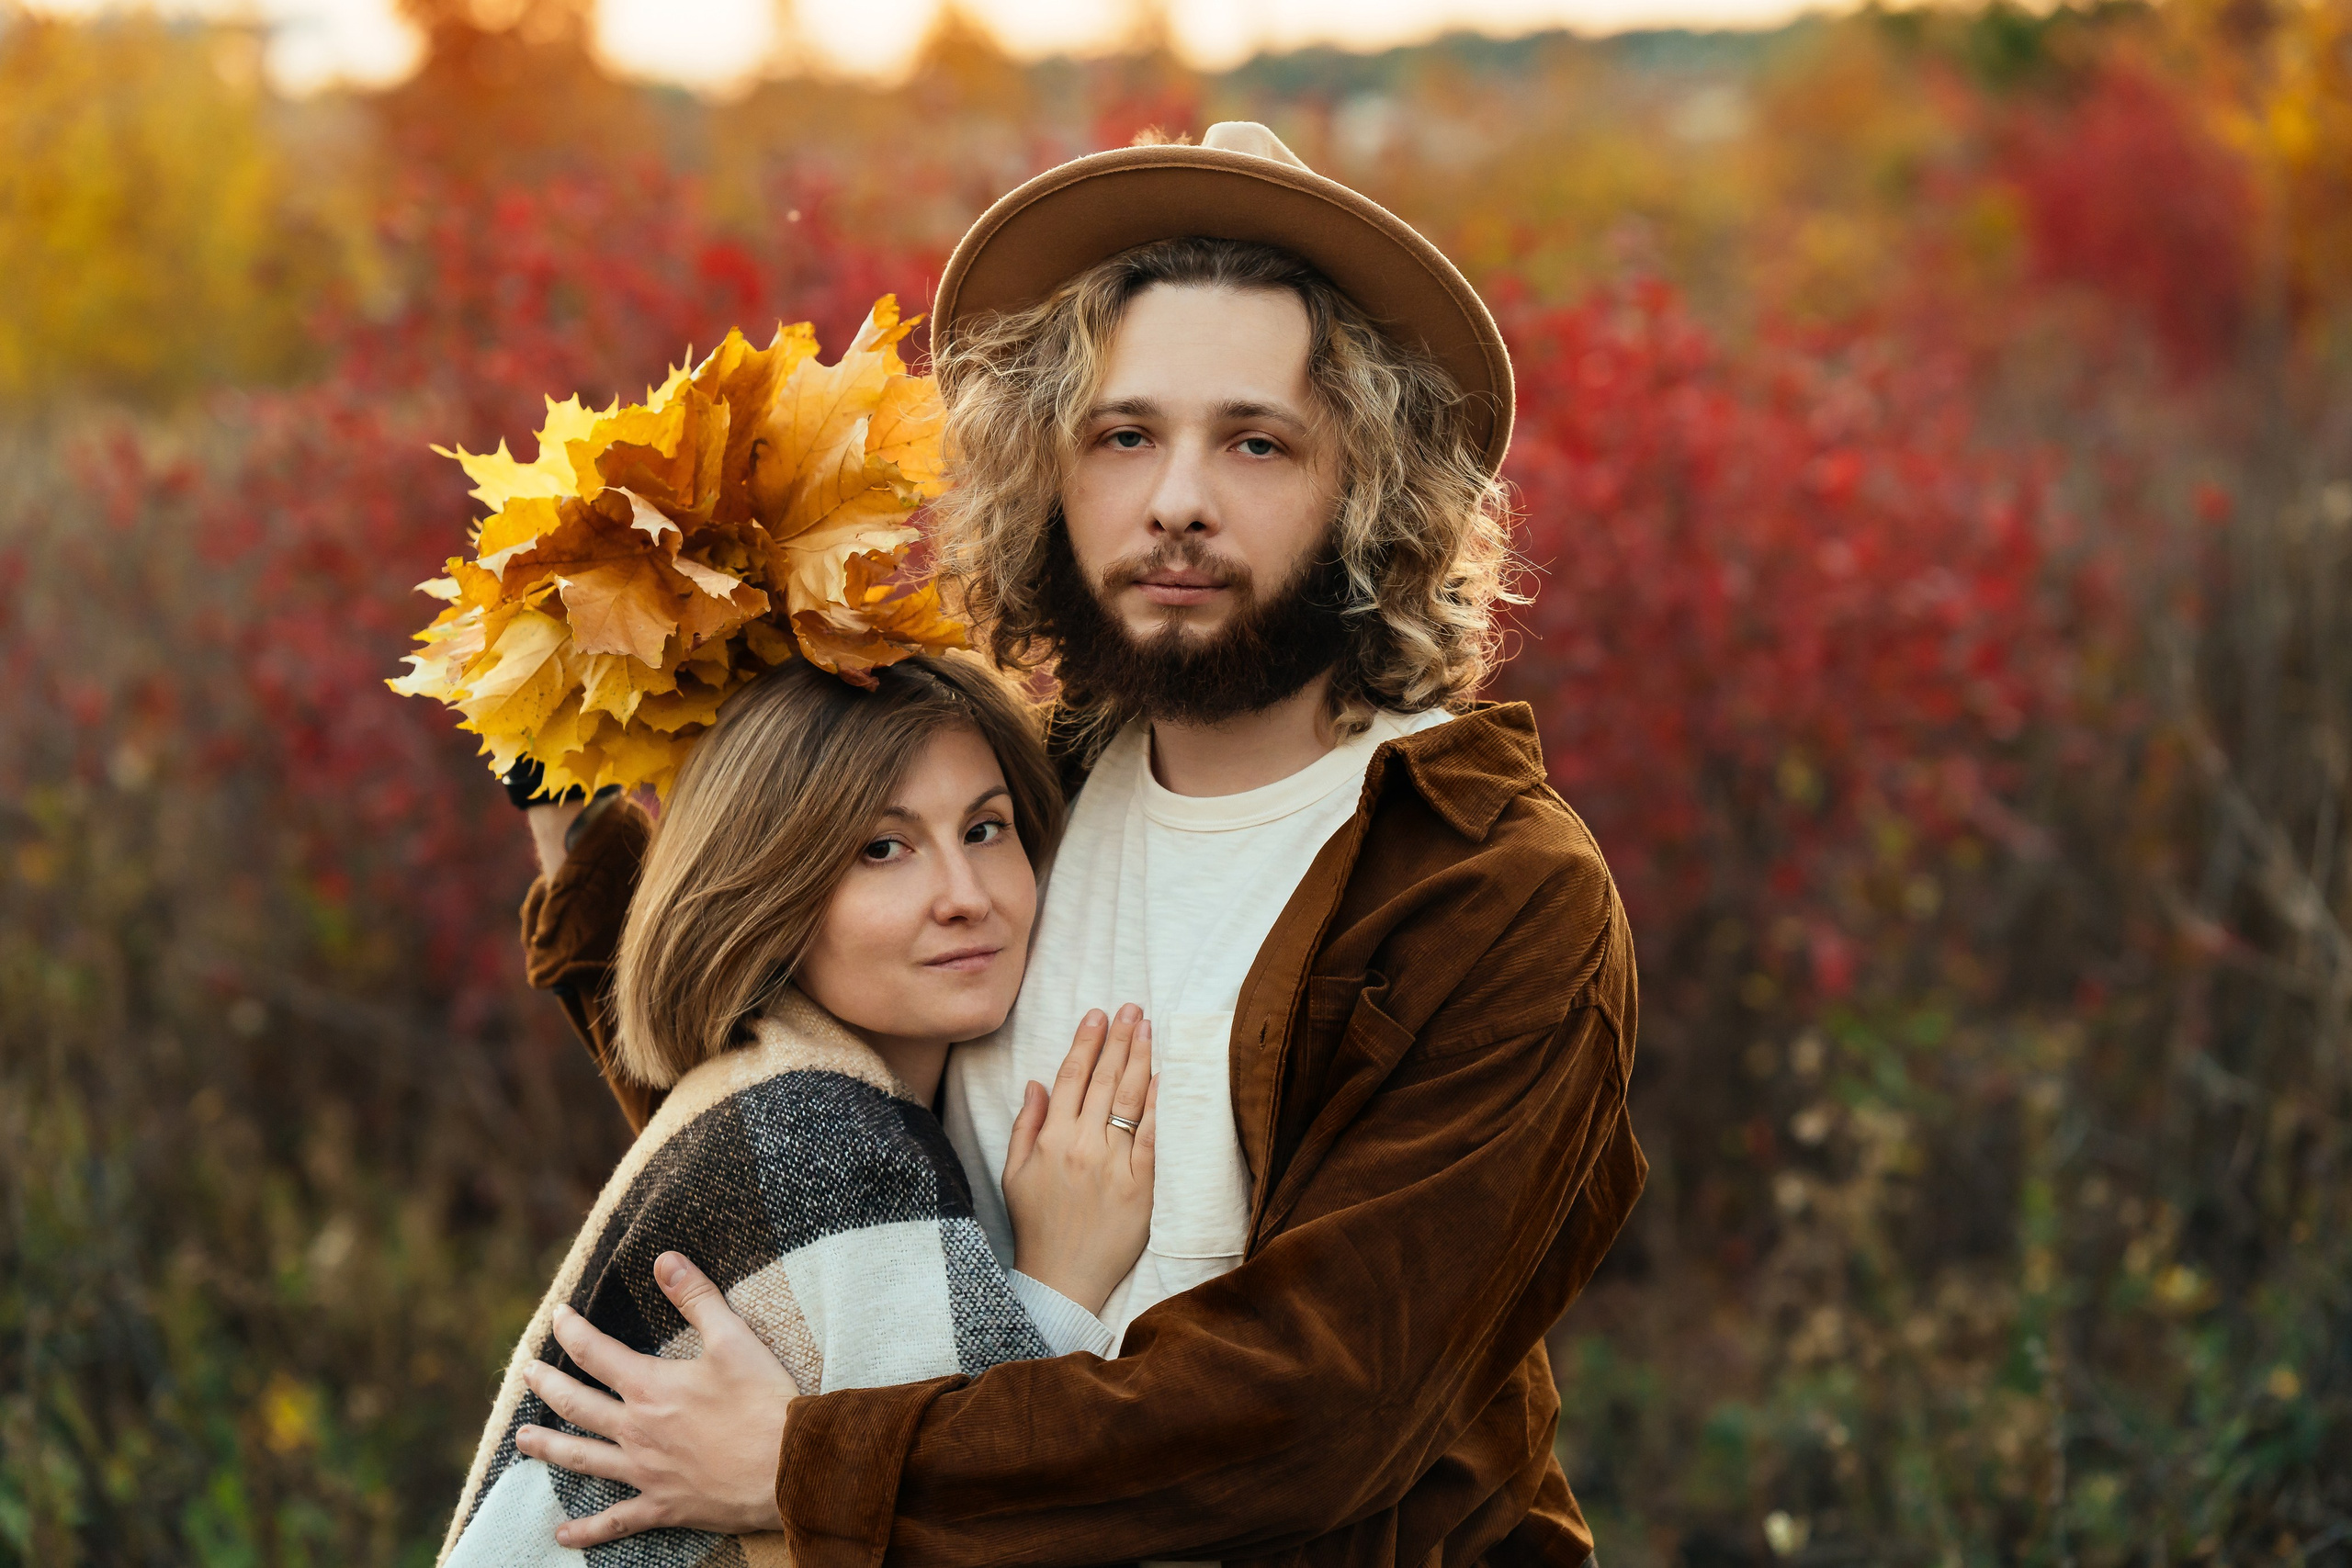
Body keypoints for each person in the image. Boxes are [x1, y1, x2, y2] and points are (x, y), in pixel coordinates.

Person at [509, 122, 1645, 1566]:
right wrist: (586, 860)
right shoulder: (1024, 791)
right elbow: (801, 1135)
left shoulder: (1487, 886)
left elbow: (1321, 1407)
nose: (1176, 498)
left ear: (1369, 491)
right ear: (1052, 473)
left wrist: (811, 1467)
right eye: (1123, 436)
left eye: (1254, 439)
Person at [440, 655, 1161, 1567]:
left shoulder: (763, 1085)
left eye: (985, 828)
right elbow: (994, 1540)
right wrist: (1059, 1293)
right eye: (880, 849)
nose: (966, 898)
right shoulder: (833, 1135)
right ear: (771, 888)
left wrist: (573, 831)